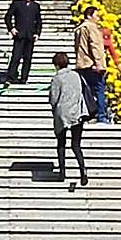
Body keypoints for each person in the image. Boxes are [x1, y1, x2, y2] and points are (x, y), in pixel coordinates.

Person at [49, 52, 88, 185]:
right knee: (76, 145)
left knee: (61, 144)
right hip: (77, 113)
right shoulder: (76, 75)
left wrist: (54, 110)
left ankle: (62, 173)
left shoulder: (56, 79)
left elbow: (53, 99)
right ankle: (83, 172)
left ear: (57, 65)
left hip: (62, 114)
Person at [75, 6, 109, 123]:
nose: (98, 18)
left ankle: (89, 114)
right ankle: (101, 115)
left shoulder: (79, 28)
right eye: (96, 15)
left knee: (86, 91)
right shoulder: (91, 27)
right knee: (99, 89)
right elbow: (95, 46)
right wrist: (99, 64)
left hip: (82, 63)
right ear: (89, 16)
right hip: (91, 64)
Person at [5, 0, 42, 85]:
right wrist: (11, 28)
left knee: (28, 58)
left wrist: (37, 33)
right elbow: (8, 17)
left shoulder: (35, 6)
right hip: (19, 35)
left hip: (30, 36)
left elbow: (39, 21)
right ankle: (11, 77)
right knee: (16, 57)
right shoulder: (17, 4)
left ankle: (24, 78)